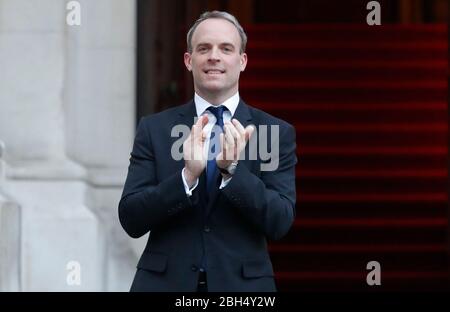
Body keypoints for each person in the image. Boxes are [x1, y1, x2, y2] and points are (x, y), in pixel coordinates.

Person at [118, 10, 297, 292]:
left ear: (242, 61)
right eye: (204, 48)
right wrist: (186, 177)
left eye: (226, 48)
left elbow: (279, 220)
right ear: (189, 61)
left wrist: (232, 172)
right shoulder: (155, 129)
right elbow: (131, 218)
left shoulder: (273, 132)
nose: (214, 56)